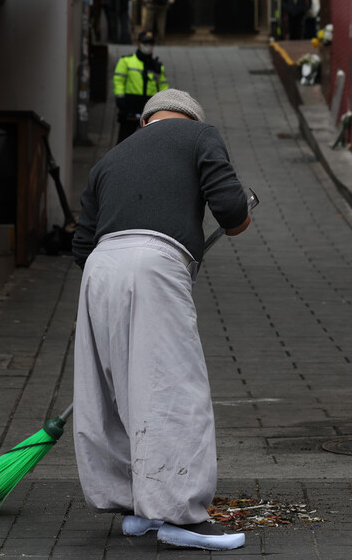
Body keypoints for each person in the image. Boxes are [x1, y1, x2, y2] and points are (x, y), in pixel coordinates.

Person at [71, 89, 251, 552]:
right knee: (172, 386)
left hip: (99, 269)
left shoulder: (110, 159)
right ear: (189, 117)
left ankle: (135, 506)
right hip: (154, 262)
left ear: (147, 121)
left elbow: (80, 245)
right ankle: (180, 517)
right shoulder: (199, 134)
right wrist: (239, 219)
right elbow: (230, 208)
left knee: (111, 391)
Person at [112, 31, 168, 143]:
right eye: (145, 43)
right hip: (130, 106)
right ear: (138, 43)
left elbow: (163, 87)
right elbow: (118, 81)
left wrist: (164, 104)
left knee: (150, 143)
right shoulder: (126, 61)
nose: (148, 46)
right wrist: (120, 99)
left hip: (149, 106)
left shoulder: (157, 66)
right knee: (124, 142)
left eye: (151, 43)